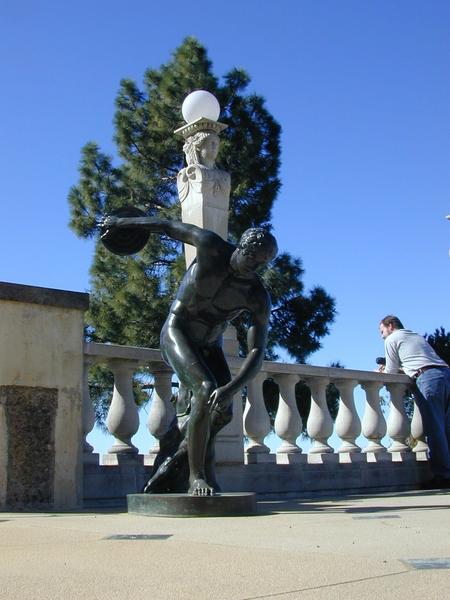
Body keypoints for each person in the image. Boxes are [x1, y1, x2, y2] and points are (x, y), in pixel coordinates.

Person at [101, 214, 277, 496]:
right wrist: (121, 223)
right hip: (177, 331)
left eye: (261, 264)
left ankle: (185, 462)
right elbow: (167, 226)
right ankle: (197, 478)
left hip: (209, 346)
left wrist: (232, 388)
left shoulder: (256, 294)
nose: (254, 267)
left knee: (222, 412)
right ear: (241, 247)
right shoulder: (210, 246)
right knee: (206, 389)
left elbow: (257, 350)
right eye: (252, 258)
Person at [378, 315, 450, 489]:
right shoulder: (414, 335)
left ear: (390, 325)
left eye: (382, 331)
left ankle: (443, 475)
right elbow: (419, 361)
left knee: (435, 429)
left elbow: (390, 371)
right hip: (445, 373)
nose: (382, 336)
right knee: (447, 428)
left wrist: (382, 371)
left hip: (428, 379)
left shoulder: (392, 339)